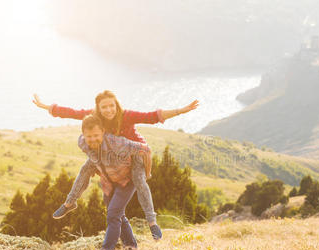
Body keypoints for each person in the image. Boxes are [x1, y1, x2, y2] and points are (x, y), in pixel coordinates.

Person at [33, 90, 199, 240]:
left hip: (134, 153)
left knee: (139, 181)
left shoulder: (126, 116)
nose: (108, 110)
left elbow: (153, 116)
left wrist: (181, 110)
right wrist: (46, 106)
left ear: (116, 104)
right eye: (104, 107)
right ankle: (70, 203)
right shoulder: (94, 116)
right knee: (85, 169)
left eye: (111, 105)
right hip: (110, 155)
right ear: (98, 108)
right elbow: (71, 113)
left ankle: (152, 222)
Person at [54, 114, 151, 250]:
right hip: (108, 180)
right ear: (83, 135)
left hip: (126, 179)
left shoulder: (117, 143)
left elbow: (145, 149)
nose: (92, 139)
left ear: (103, 132)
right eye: (89, 136)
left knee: (113, 214)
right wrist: (97, 164)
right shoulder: (82, 142)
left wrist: (145, 174)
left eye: (96, 135)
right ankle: (131, 248)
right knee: (118, 214)